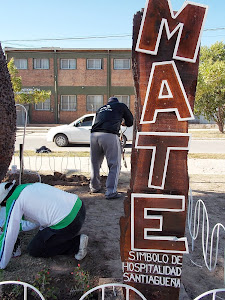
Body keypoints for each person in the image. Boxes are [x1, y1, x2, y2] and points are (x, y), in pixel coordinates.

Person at [0, 180, 88, 269]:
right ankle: (66, 237)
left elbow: (9, 234)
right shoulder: (26, 187)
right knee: (43, 237)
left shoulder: (14, 200)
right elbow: (36, 219)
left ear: (4, 201)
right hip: (79, 207)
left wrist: (1, 263)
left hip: (68, 223)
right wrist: (20, 227)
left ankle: (76, 244)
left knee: (35, 249)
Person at [90, 97, 133, 199]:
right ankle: (110, 192)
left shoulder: (101, 108)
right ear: (117, 102)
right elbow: (130, 122)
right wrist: (123, 122)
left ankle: (94, 187)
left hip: (94, 135)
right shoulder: (121, 106)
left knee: (95, 163)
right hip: (109, 135)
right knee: (114, 164)